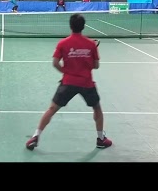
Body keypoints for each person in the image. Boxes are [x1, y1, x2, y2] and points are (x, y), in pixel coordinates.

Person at [27, 13, 112, 151]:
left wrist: (66, 72)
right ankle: (101, 139)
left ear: (70, 26)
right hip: (86, 83)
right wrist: (86, 60)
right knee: (97, 108)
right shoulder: (91, 44)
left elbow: (55, 63)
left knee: (52, 109)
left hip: (68, 82)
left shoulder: (63, 43)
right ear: (83, 26)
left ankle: (36, 136)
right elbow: (96, 66)